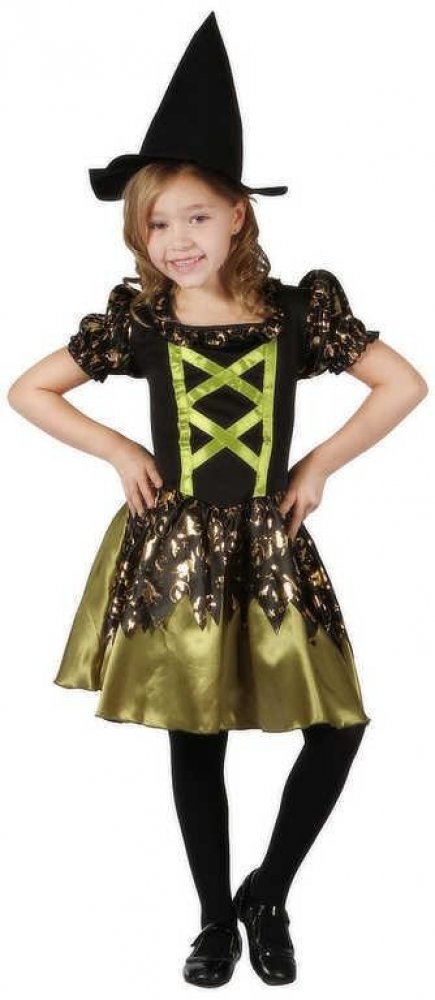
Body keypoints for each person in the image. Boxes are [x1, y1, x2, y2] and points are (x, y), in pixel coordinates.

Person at [7, 11, 428, 990]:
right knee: (196, 734)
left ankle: (266, 892)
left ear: (239, 214)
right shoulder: (143, 322)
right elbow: (28, 390)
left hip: (270, 544)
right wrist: (118, 447)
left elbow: (403, 383)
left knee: (339, 725)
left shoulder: (296, 313)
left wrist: (317, 466)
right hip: (176, 552)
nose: (175, 239)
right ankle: (210, 922)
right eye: (156, 224)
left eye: (195, 216)